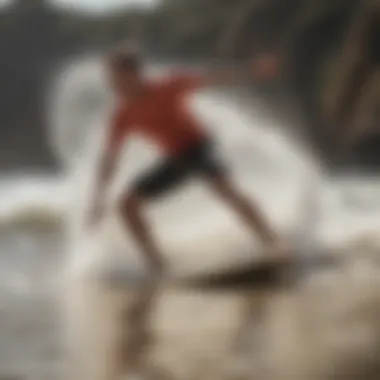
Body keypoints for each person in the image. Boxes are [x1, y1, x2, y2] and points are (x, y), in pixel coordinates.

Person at [88, 44, 289, 276]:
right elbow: (109, 160)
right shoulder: (122, 116)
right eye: (110, 80)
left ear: (133, 74)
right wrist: (98, 199)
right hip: (176, 158)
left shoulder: (168, 86)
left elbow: (213, 79)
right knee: (126, 205)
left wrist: (252, 70)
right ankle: (158, 266)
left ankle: (272, 242)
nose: (112, 85)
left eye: (115, 78)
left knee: (224, 189)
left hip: (198, 146)